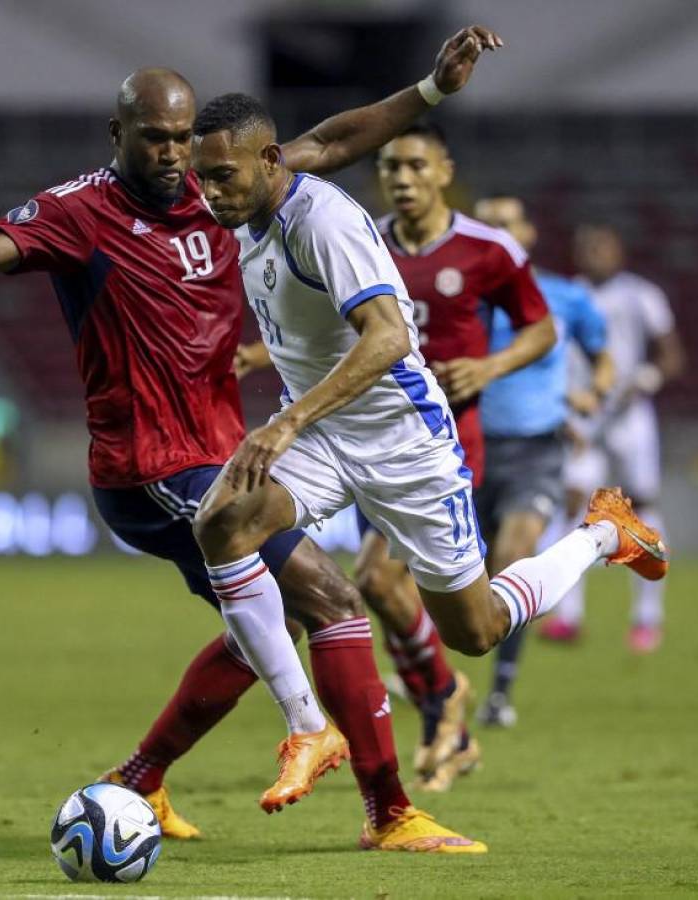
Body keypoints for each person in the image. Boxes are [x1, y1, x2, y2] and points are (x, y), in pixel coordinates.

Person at [0, 28, 508, 853]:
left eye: (181, 139)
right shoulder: (80, 212)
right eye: (155, 139)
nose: (172, 157)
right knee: (332, 602)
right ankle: (383, 805)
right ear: (117, 136)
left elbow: (329, 141)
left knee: (256, 633)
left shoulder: (221, 188)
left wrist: (430, 91)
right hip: (154, 468)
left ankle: (137, 783)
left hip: (217, 453)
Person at [186, 91, 668, 847]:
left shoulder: (324, 222)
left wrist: (285, 419)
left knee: (475, 629)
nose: (208, 193)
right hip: (326, 436)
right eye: (200, 178)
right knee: (220, 519)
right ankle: (309, 726)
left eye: (221, 177)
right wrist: (428, 87)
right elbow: (330, 136)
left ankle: (603, 536)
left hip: (404, 441)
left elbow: (384, 339)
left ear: (268, 161)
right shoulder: (254, 205)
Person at [346, 123, 556, 790]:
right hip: (373, 440)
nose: (401, 179)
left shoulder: (486, 249)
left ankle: (443, 702)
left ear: (443, 171)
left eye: (414, 165)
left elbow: (541, 327)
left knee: (378, 580)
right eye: (389, 167)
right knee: (389, 592)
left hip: (445, 449)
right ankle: (450, 717)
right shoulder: (363, 244)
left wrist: (491, 367)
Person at [470, 195, 614, 727]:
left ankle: (500, 694)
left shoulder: (564, 297)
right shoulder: (455, 297)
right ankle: (433, 678)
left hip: (536, 448)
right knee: (466, 584)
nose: (497, 233)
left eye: (506, 224)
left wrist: (592, 394)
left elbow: (604, 358)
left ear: (527, 233)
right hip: (466, 449)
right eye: (486, 226)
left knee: (513, 556)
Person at [543, 224, 685, 653]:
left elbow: (671, 353)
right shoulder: (566, 296)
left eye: (602, 246)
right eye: (586, 246)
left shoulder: (642, 295)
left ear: (620, 251)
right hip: (585, 414)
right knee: (574, 504)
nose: (595, 253)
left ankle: (647, 617)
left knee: (641, 506)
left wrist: (649, 375)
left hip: (629, 416)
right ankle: (568, 616)